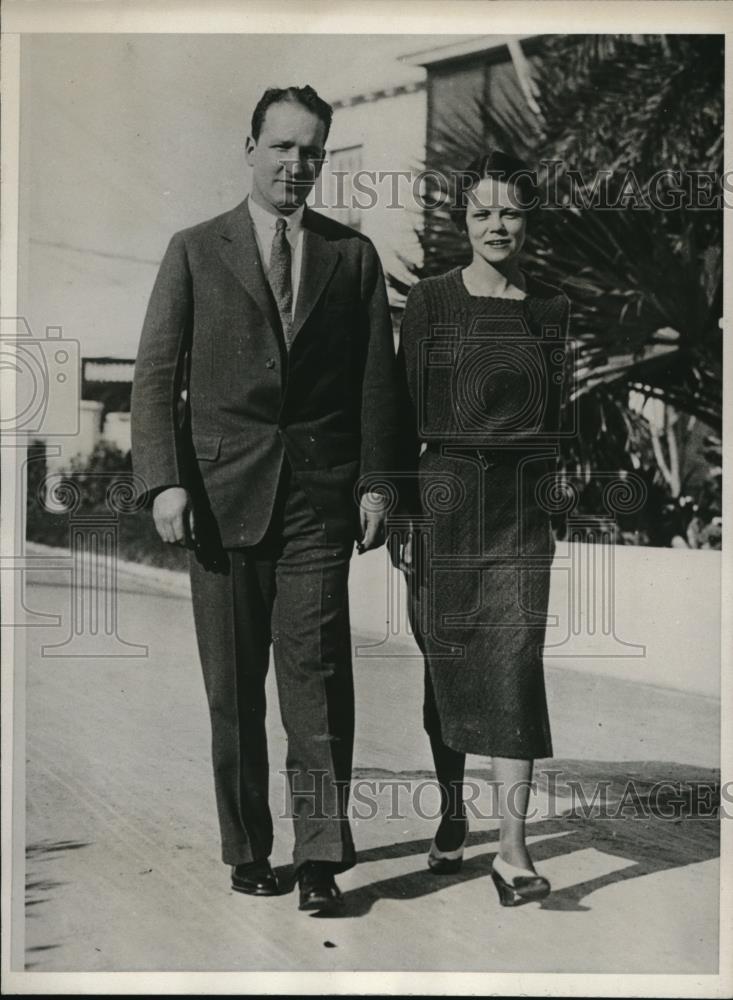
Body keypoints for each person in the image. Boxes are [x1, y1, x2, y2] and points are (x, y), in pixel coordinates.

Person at [131, 85, 400, 912]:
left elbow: (375, 385)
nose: (296, 165)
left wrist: (379, 483)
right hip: (218, 497)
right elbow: (155, 374)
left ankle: (319, 857)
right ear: (249, 147)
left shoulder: (351, 257)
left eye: (311, 151)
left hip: (316, 501)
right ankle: (249, 846)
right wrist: (163, 479)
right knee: (234, 686)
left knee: (315, 679)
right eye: (282, 147)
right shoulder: (192, 250)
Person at [394, 150, 572, 906]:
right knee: (448, 662)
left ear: (527, 220)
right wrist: (401, 509)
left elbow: (562, 418)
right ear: (462, 222)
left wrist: (560, 491)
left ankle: (512, 852)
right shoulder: (431, 302)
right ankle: (452, 808)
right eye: (482, 212)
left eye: (510, 212)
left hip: (520, 512)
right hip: (445, 502)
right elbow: (402, 414)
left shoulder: (549, 308)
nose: (497, 225)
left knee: (514, 664)